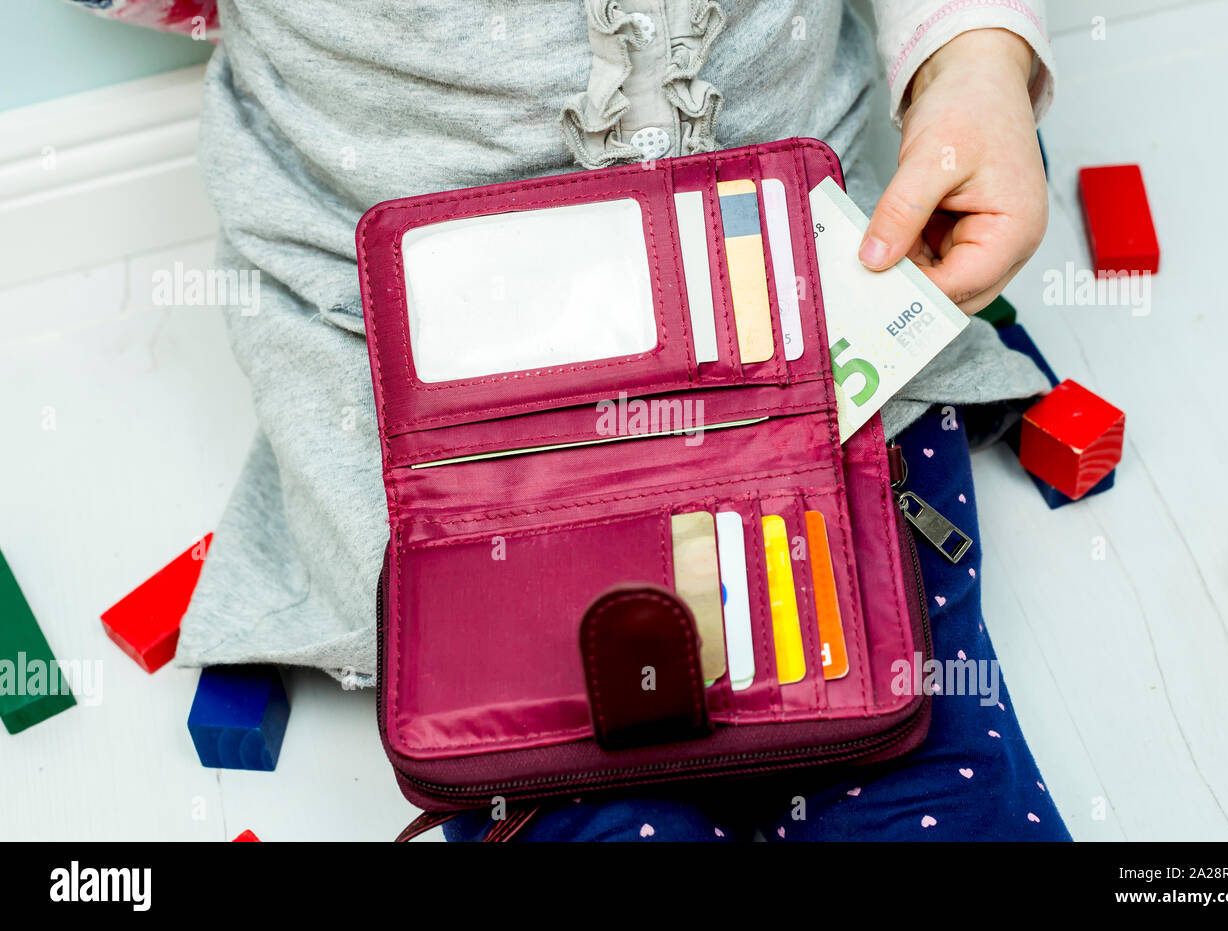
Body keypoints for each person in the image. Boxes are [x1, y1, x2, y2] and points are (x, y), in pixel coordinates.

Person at [69, 0, 1069, 840]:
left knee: (903, 752)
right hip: (420, 393)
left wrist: (972, 57)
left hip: (794, 315)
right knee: (553, 770)